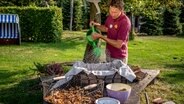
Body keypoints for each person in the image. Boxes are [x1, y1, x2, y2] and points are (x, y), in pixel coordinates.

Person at [90, 0, 131, 65]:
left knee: (116, 75)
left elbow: (118, 44)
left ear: (121, 10)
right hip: (109, 54)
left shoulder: (125, 22)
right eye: (111, 11)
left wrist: (101, 37)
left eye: (115, 12)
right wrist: (96, 26)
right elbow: (107, 28)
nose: (113, 14)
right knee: (108, 74)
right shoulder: (110, 17)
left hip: (119, 57)